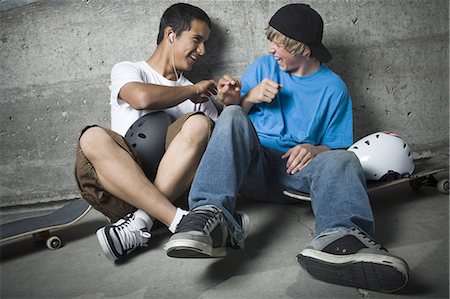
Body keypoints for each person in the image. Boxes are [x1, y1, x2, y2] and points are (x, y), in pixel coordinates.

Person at [165, 3, 410, 293]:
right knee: (231, 115)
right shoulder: (262, 67)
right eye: (270, 41)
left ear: (304, 49)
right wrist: (247, 98)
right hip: (252, 170)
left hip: (296, 177)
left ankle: (341, 239)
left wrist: (314, 149)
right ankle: (211, 217)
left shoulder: (333, 89)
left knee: (344, 159)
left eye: (279, 44)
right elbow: (236, 121)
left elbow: (338, 147)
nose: (271, 49)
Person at [75, 3, 220, 261]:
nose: (202, 50)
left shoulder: (199, 96)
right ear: (171, 34)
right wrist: (192, 91)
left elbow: (220, 148)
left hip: (177, 189)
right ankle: (176, 220)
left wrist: (233, 104)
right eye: (197, 40)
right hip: (121, 189)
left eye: (205, 43)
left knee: (200, 124)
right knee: (92, 137)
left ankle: (140, 222)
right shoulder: (130, 69)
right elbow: (140, 98)